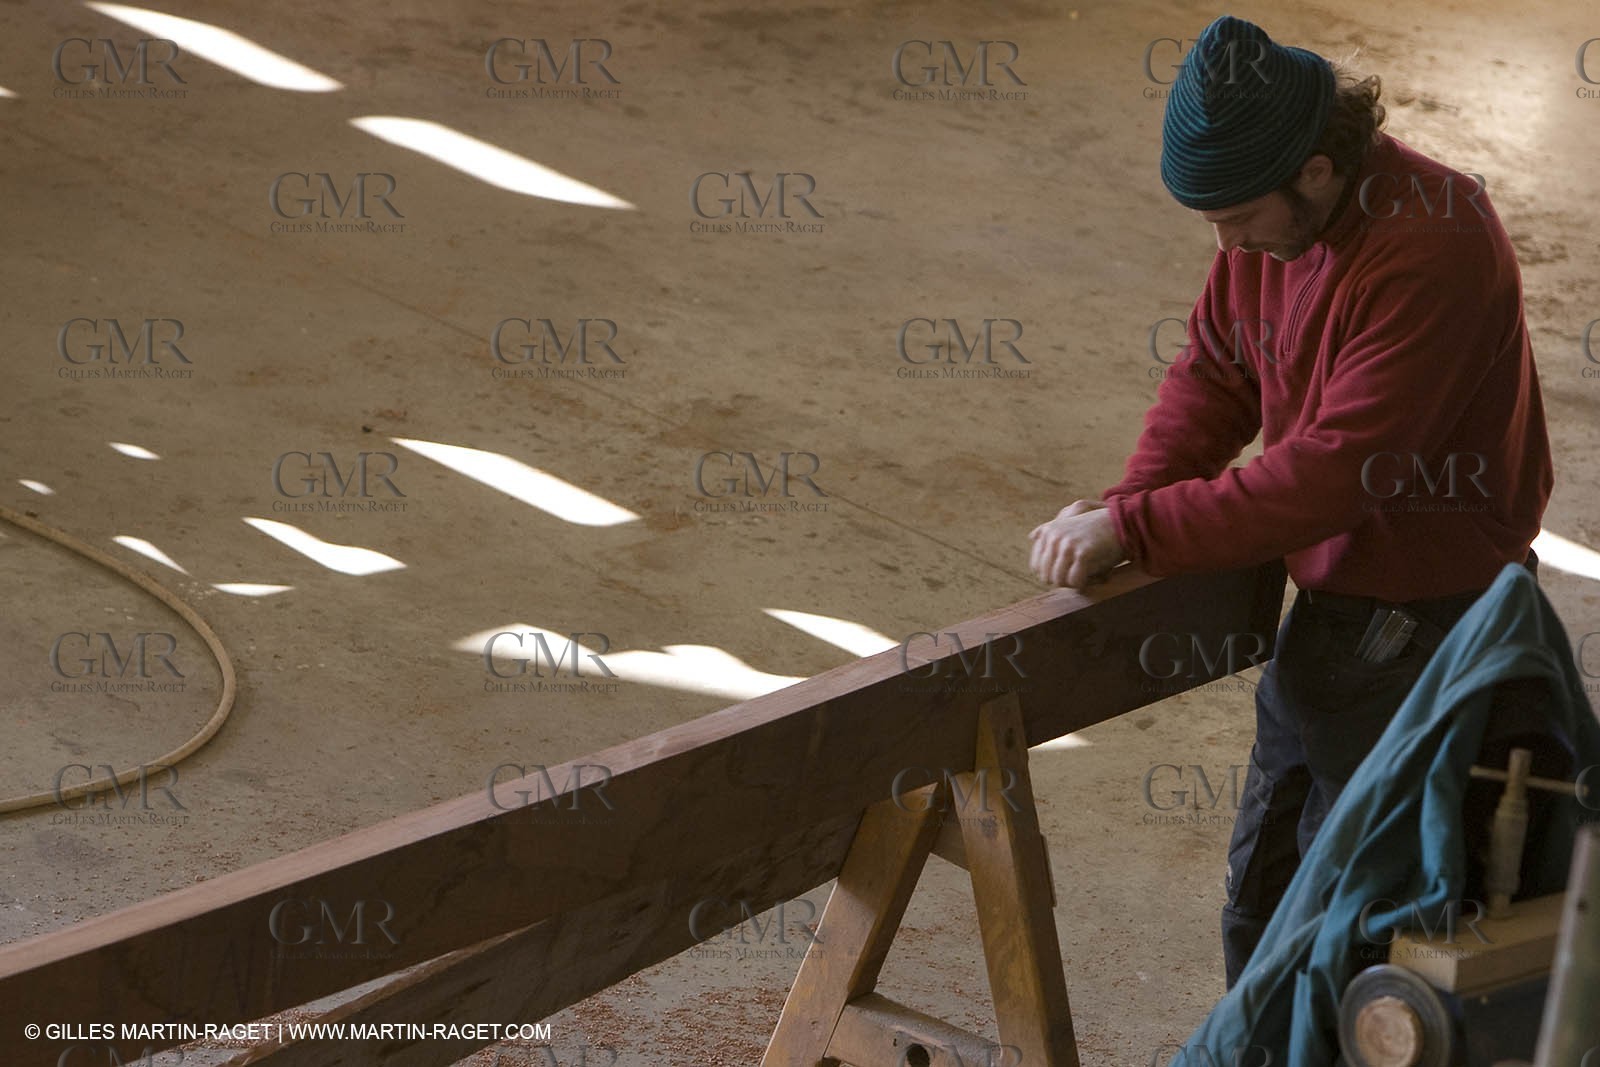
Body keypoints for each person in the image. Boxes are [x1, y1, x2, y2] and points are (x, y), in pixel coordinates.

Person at [1026, 14, 1553, 988]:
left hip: (1422, 618)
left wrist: (1140, 526)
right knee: (1262, 885)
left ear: (1316, 170)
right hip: (1337, 610)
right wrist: (1130, 502)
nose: (1224, 244)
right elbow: (1214, 373)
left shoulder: (1434, 241)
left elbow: (1333, 474)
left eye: (1234, 219)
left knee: (1353, 909)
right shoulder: (1269, 227)